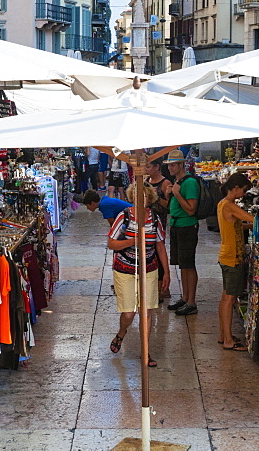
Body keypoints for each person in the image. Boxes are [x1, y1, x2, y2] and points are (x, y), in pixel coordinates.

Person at [107, 183, 169, 368]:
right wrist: (132, 240)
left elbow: (160, 245)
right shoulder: (124, 216)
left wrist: (166, 271)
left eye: (144, 197)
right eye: (137, 196)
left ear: (149, 199)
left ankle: (145, 351)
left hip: (149, 268)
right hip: (124, 269)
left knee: (147, 311)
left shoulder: (154, 218)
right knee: (129, 313)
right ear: (132, 198)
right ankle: (122, 333)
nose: (141, 200)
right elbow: (111, 243)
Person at [217, 172, 253, 351]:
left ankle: (224, 335)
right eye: (244, 190)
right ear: (236, 188)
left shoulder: (223, 204)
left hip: (226, 255)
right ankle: (228, 341)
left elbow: (236, 224)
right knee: (230, 298)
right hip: (232, 257)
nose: (244, 194)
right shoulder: (230, 206)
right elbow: (252, 218)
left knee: (225, 297)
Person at [164, 149, 200, 316]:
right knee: (182, 265)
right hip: (177, 225)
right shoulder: (177, 182)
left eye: (172, 165)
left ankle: (191, 301)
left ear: (181, 165)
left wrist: (177, 194)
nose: (170, 168)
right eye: (169, 165)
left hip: (187, 226)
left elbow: (191, 209)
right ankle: (185, 298)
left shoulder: (189, 183)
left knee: (188, 265)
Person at [145, 159, 173, 299]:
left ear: (157, 167)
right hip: (146, 221)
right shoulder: (146, 181)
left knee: (159, 251)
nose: (146, 169)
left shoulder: (165, 183)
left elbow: (169, 206)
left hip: (158, 222)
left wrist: (155, 197)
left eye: (148, 166)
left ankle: (162, 288)